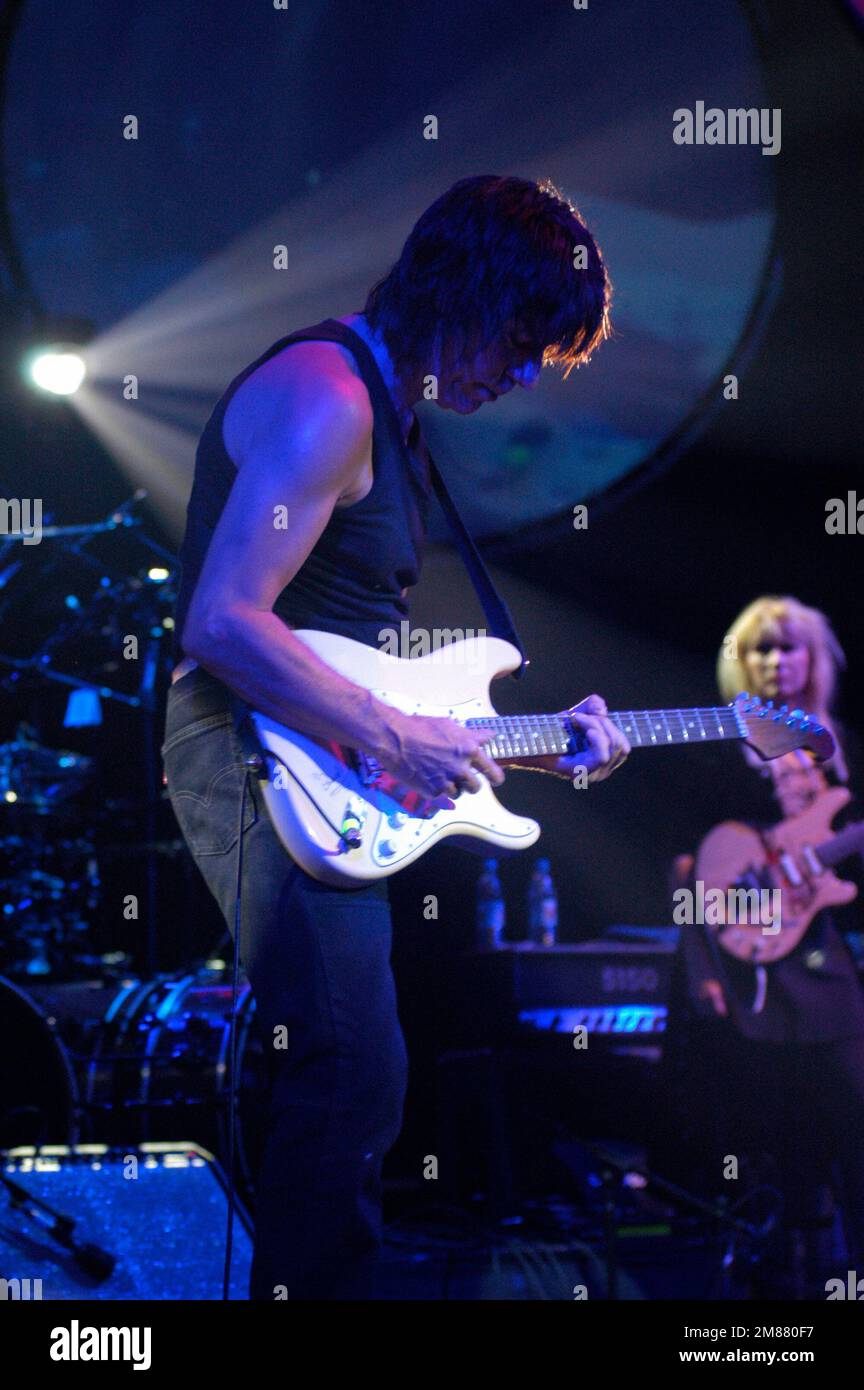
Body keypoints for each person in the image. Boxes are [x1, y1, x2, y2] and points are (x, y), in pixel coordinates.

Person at [161, 175, 631, 1300]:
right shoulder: (329, 396)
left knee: (359, 1074)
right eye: (520, 341)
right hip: (246, 756)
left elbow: (362, 657)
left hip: (312, 759)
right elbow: (223, 618)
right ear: (457, 292)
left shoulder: (391, 409)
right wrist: (391, 733)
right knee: (348, 1071)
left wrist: (530, 739)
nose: (521, 375)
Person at [668, 596, 864, 1293]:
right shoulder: (723, 749)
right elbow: (688, 868)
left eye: (789, 648)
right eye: (761, 650)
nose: (776, 661)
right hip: (743, 965)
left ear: (815, 658)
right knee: (777, 1147)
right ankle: (781, 1291)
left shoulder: (841, 746)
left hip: (822, 960)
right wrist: (700, 968)